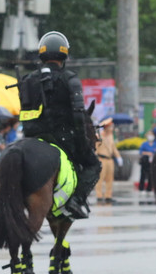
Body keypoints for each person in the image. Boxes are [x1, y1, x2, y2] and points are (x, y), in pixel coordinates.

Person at [17, 31, 100, 218]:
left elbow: (24, 113)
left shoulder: (28, 80)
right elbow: (79, 116)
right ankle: (76, 201)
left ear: (42, 54)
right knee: (94, 165)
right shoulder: (70, 79)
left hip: (30, 137)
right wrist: (82, 143)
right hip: (61, 138)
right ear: (64, 55)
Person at [95, 118, 121, 203]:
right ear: (106, 127)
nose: (112, 129)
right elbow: (95, 148)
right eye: (110, 127)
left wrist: (118, 157)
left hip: (110, 160)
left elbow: (113, 148)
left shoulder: (111, 137)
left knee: (110, 179)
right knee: (100, 179)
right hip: (101, 159)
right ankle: (99, 196)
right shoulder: (99, 136)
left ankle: (108, 196)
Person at [138, 126, 156, 193]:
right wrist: (148, 153)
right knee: (143, 174)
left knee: (151, 174)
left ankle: (149, 188)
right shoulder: (144, 144)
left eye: (151, 135)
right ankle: (141, 188)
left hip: (152, 160)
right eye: (149, 135)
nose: (150, 136)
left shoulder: (155, 144)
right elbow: (140, 152)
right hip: (145, 160)